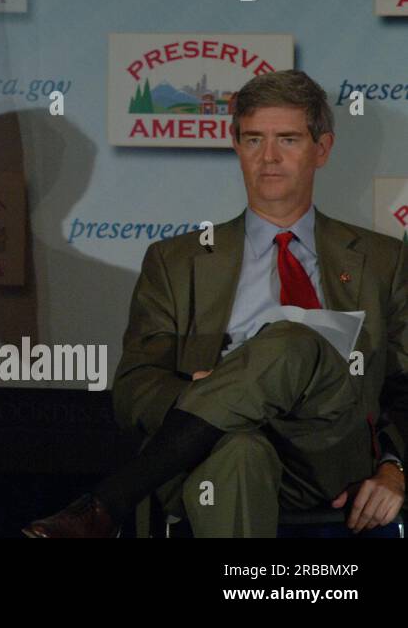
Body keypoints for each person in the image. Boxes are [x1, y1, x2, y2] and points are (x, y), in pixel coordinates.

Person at [24, 70, 407, 537]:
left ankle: (107, 503)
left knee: (292, 337)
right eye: (253, 140)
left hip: (328, 453)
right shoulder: (175, 261)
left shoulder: (384, 261)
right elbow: (134, 389)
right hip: (219, 449)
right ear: (236, 146)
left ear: (321, 149)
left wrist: (396, 469)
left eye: (287, 139)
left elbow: (404, 390)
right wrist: (215, 396)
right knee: (238, 453)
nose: (268, 158)